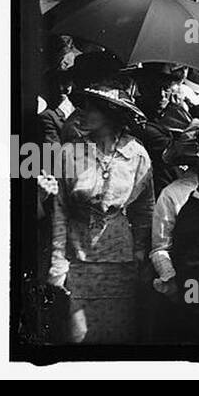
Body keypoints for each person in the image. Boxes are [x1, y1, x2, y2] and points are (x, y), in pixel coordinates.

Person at [48, 81, 154, 344]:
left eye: (91, 107)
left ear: (110, 114)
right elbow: (59, 210)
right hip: (78, 260)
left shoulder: (136, 154)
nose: (82, 112)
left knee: (117, 338)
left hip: (120, 261)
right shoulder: (70, 152)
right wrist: (57, 261)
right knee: (77, 337)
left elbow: (145, 209)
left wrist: (140, 250)